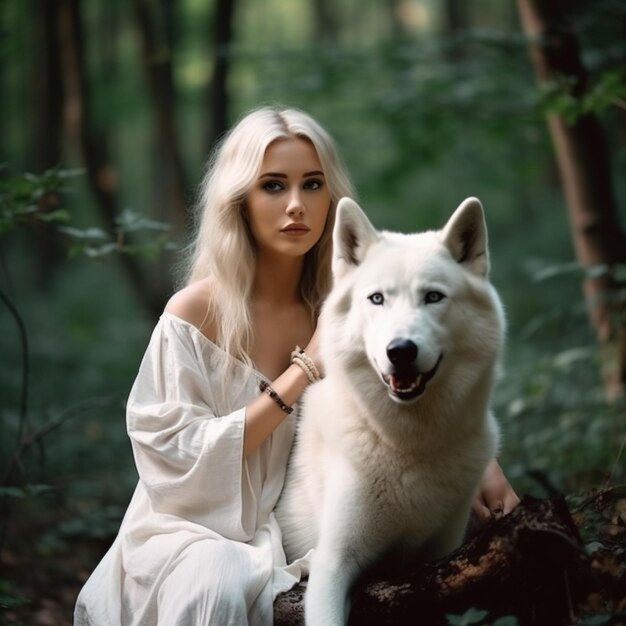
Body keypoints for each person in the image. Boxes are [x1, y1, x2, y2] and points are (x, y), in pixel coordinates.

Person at [74, 106, 519, 626]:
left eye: (312, 185)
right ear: (238, 200)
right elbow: (172, 464)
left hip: (300, 530)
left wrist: (482, 468)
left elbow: (421, 396)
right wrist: (305, 369)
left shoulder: (358, 305)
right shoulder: (193, 313)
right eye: (272, 186)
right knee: (213, 579)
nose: (295, 206)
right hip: (193, 531)